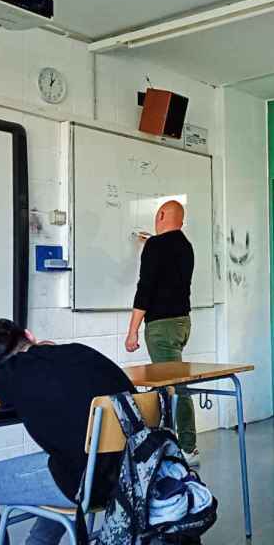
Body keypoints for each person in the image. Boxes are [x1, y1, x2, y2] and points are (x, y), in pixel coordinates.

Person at [0, 319, 134, 545]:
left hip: (91, 483)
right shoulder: (81, 351)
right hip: (138, 472)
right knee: (64, 459)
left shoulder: (11, 374)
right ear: (29, 335)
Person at [124, 199, 198, 464]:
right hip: (182, 324)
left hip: (161, 326)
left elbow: (145, 289)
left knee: (175, 386)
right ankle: (175, 442)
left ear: (163, 215)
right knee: (173, 383)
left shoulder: (156, 246)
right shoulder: (186, 246)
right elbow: (168, 270)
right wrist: (151, 246)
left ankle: (187, 448)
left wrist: (132, 331)